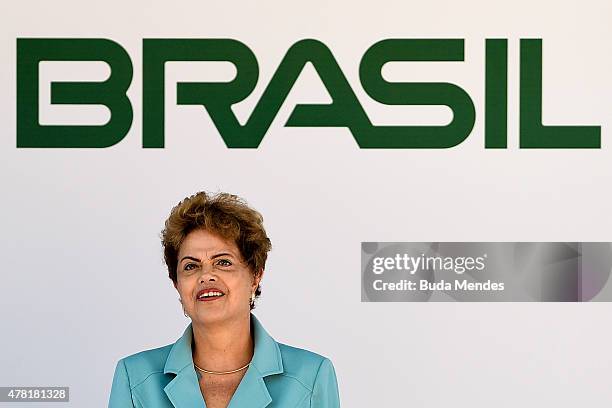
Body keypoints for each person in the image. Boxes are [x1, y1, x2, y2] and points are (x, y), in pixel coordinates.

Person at [108, 191, 340, 407]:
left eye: (223, 262)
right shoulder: (135, 378)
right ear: (177, 284)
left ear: (255, 276)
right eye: (190, 266)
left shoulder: (311, 377)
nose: (206, 276)